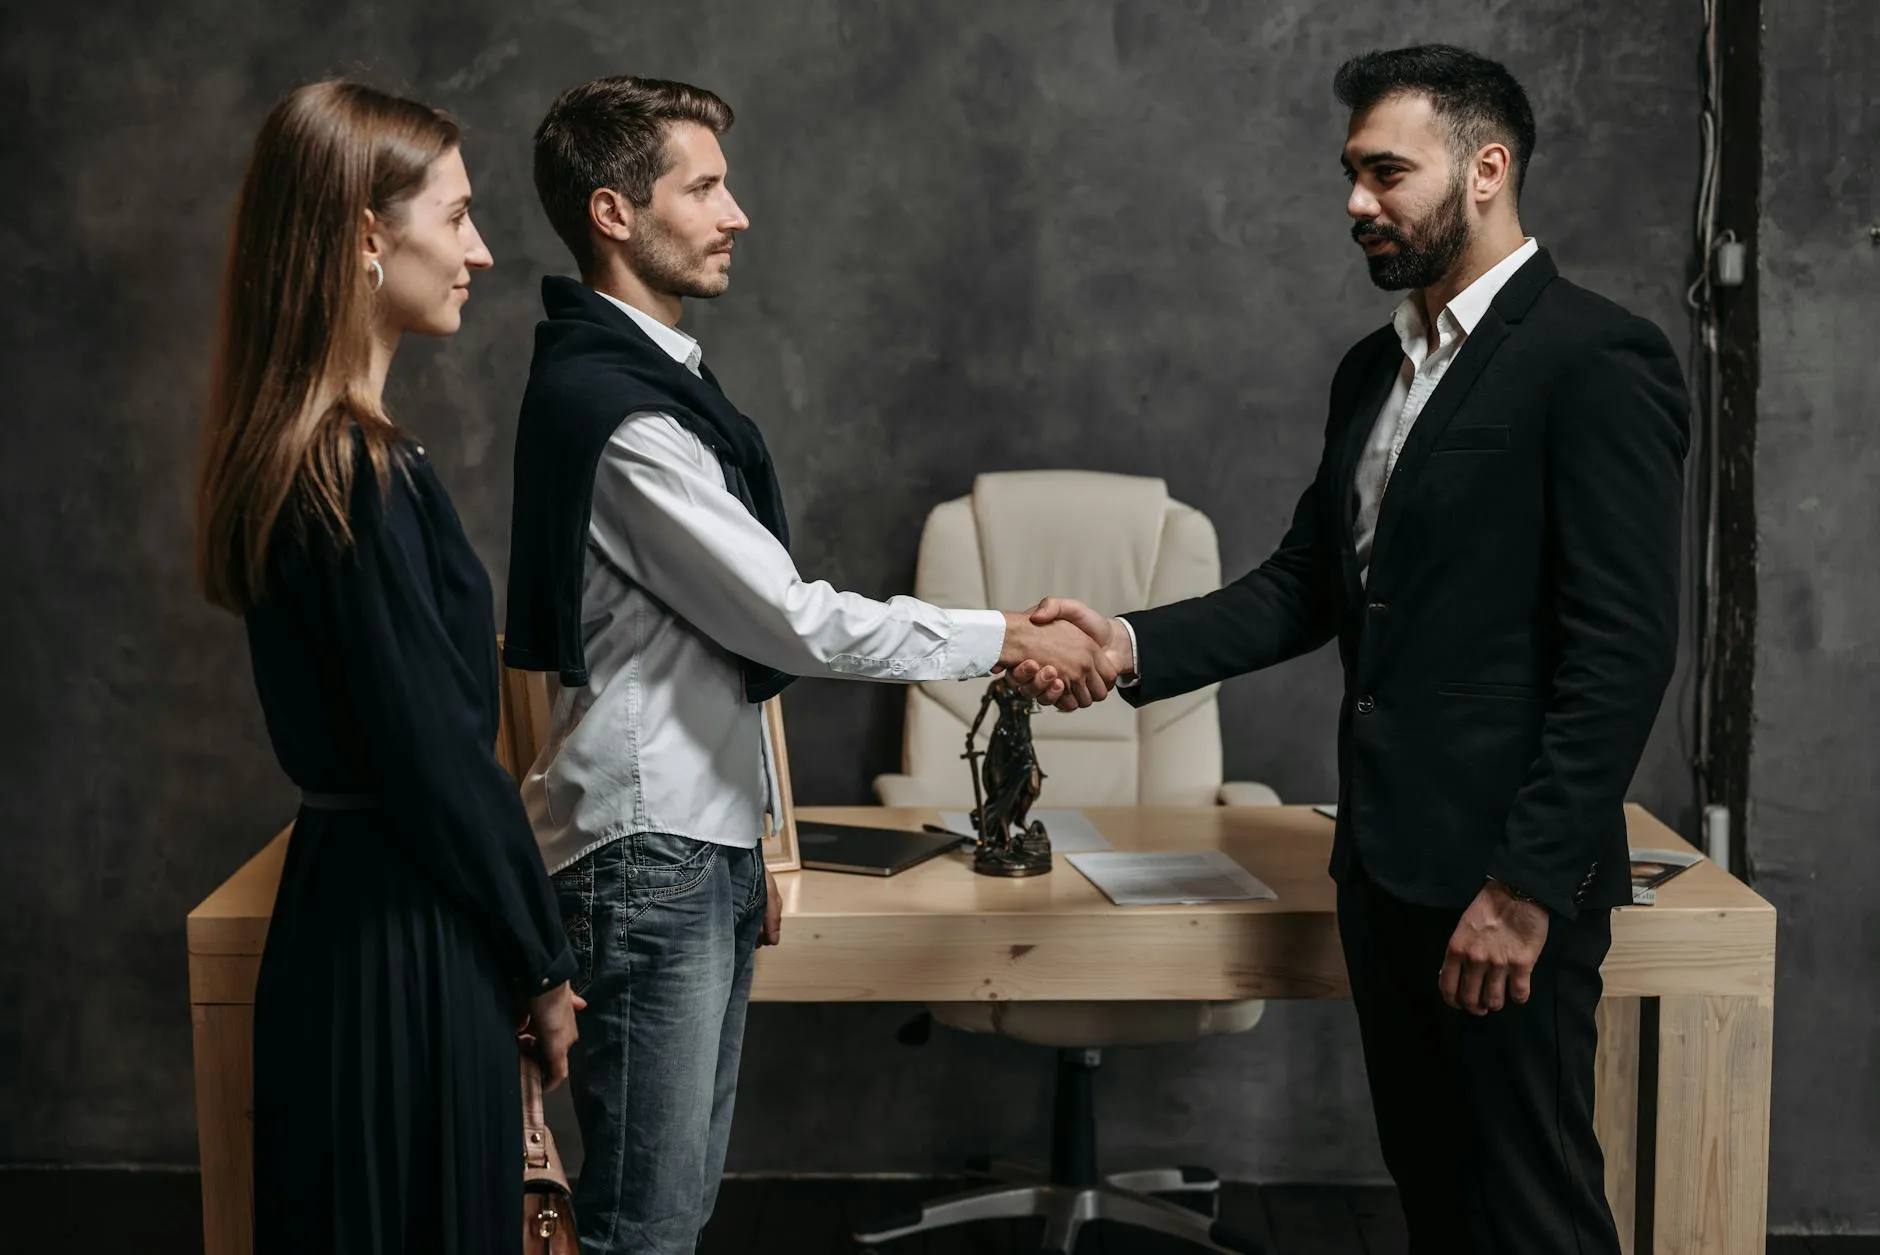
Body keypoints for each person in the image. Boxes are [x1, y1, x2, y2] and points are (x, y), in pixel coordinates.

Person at [1015, 45, 1690, 1255]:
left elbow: (1622, 650)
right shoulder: (1371, 370)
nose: (1354, 203)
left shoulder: (1594, 358)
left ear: (1484, 171)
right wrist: (1120, 642)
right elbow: (1306, 587)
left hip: (1499, 881)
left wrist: (1524, 887)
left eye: (1385, 173)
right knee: (1436, 1198)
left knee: (1530, 1213)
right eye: (1348, 173)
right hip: (1383, 874)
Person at [502, 76, 1115, 1254]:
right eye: (704, 186)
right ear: (612, 214)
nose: (736, 214)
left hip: (688, 842)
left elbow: (700, 649)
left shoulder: (648, 383)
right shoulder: (622, 417)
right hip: (649, 854)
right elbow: (787, 623)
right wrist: (1002, 635)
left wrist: (752, 836)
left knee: (669, 1209)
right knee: (645, 1224)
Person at [193, 79, 582, 1255]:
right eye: (456, 216)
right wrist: (544, 964)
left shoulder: (290, 453)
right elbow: (443, 765)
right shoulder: (361, 469)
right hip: (408, 942)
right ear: (369, 234)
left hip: (341, 915)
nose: (483, 249)